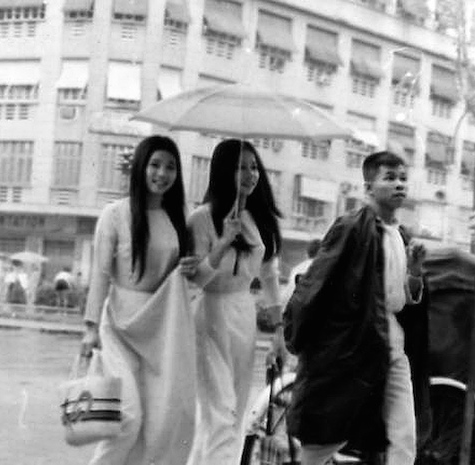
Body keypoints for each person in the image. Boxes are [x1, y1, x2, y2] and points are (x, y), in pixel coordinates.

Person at [283, 151, 430, 464]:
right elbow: (318, 283)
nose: (399, 184)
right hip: (356, 343)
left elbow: (401, 297)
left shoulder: (400, 235)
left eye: (403, 178)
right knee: (328, 436)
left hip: (391, 341)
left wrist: (415, 272)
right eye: (389, 178)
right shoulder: (350, 227)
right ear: (369, 187)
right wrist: (301, 334)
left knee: (403, 435)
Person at [79, 135, 206, 465]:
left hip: (161, 330)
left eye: (170, 167)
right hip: (119, 327)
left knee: (158, 424)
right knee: (126, 418)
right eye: (155, 164)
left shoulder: (178, 218)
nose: (162, 173)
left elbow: (187, 277)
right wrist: (90, 327)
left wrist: (190, 267)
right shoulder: (114, 214)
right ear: (140, 167)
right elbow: (101, 273)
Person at [186, 139, 284, 465]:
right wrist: (224, 241)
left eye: (254, 167)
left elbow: (269, 276)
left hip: (243, 315)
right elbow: (196, 279)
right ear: (223, 171)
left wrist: (279, 333)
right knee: (219, 411)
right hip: (209, 314)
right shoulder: (201, 219)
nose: (250, 174)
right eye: (241, 167)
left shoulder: (260, 221)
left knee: (237, 410)